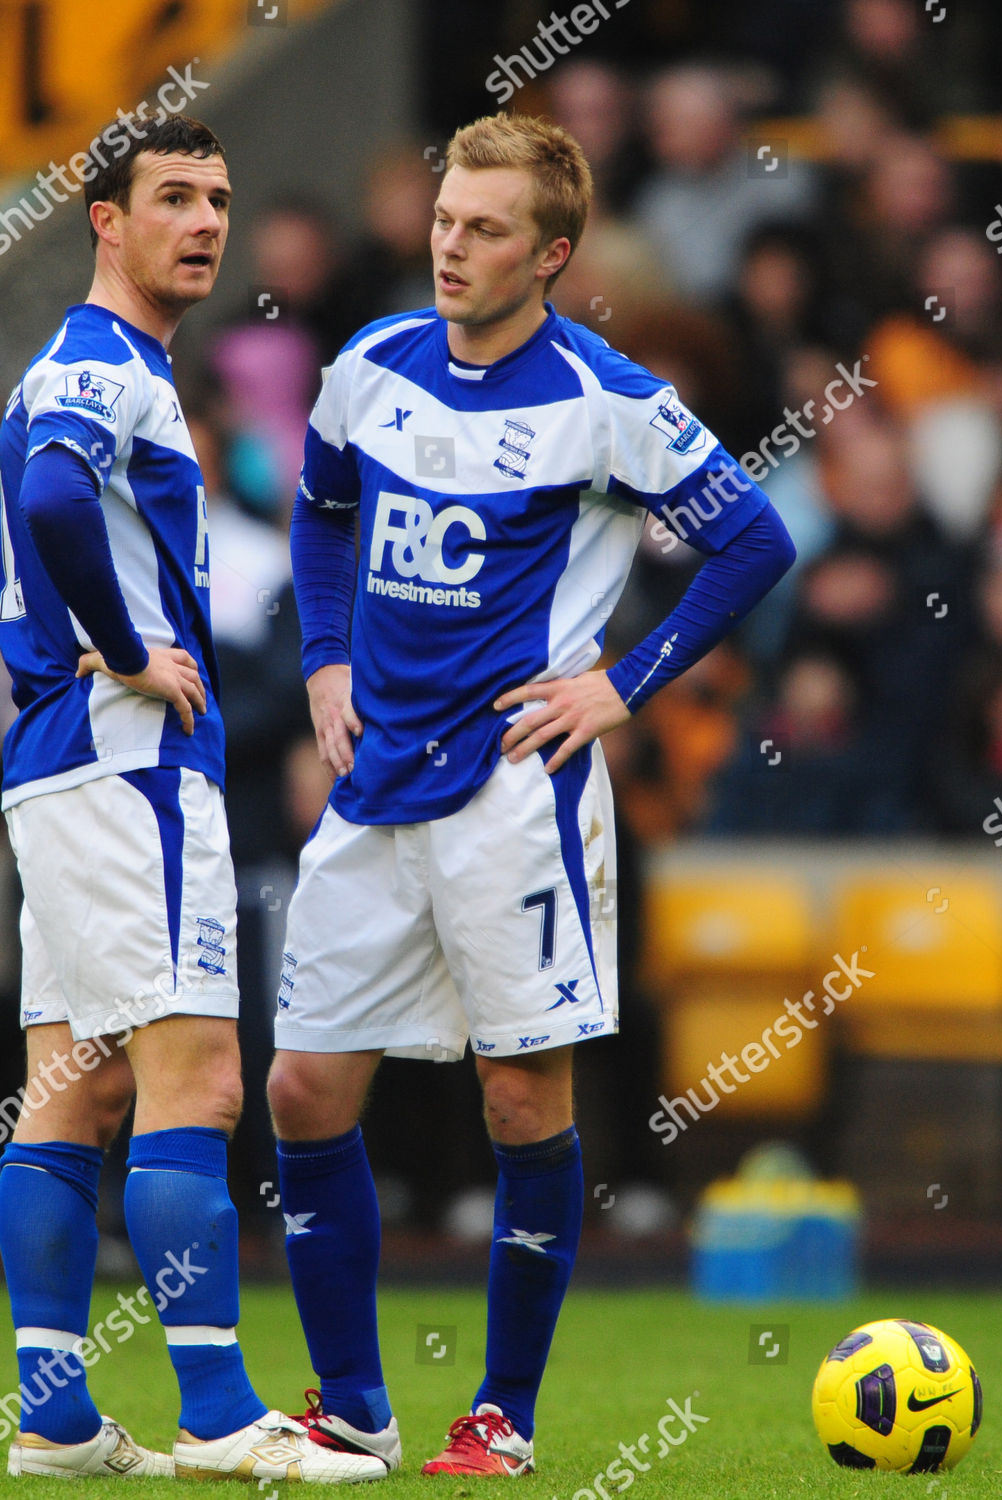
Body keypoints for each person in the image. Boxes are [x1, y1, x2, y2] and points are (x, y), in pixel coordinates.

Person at [266, 112, 796, 1476]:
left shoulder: (604, 395)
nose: (452, 246)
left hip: (513, 793)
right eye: (445, 220)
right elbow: (321, 513)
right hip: (372, 779)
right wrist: (323, 658)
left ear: (550, 253)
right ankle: (351, 1411)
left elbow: (752, 538)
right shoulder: (370, 364)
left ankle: (501, 1412)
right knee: (302, 1093)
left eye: (486, 229)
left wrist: (620, 685)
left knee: (520, 1103)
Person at [0, 112, 385, 1484]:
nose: (204, 221)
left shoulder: (92, 365)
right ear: (106, 218)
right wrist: (127, 643)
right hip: (130, 764)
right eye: (171, 197)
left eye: (217, 198)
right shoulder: (106, 367)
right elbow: (51, 507)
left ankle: (53, 1420)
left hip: (55, 764)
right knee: (199, 1081)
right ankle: (218, 1417)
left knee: (73, 1088)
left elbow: (49, 505)